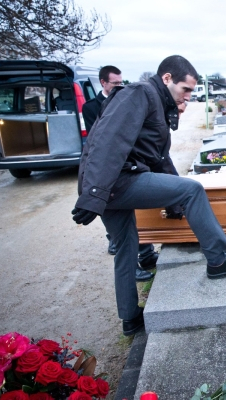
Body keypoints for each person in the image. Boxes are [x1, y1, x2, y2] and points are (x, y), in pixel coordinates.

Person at [72, 55, 226, 336]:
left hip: (111, 183)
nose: (189, 96)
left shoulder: (157, 102)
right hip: (117, 180)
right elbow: (107, 140)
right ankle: (219, 259)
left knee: (125, 248)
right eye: (186, 89)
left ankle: (130, 318)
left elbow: (158, 158)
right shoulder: (140, 93)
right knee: (192, 189)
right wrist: (94, 193)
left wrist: (171, 199)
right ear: (167, 78)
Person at [82, 65, 157, 283]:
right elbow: (101, 141)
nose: (119, 85)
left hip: (130, 164)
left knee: (139, 214)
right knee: (120, 223)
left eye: (121, 81)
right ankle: (129, 263)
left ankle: (147, 253)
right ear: (103, 83)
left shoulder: (128, 101)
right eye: (115, 83)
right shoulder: (90, 107)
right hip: (110, 168)